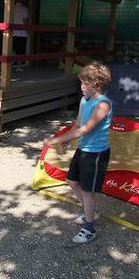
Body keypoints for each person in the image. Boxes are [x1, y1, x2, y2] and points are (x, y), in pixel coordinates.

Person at [42, 62, 113, 244]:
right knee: (72, 181)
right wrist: (66, 139)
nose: (81, 86)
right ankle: (91, 212)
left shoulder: (103, 105)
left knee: (88, 191)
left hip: (96, 154)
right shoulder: (84, 100)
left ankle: (89, 228)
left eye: (84, 83)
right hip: (83, 149)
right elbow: (79, 124)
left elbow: (86, 129)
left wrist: (55, 140)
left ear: (95, 84)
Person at [12, 0, 30, 73]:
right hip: (22, 33)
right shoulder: (24, 9)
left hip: (12, 32)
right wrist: (28, 30)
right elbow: (25, 21)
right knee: (20, 50)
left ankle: (10, 64)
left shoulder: (11, 8)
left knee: (13, 49)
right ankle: (18, 67)